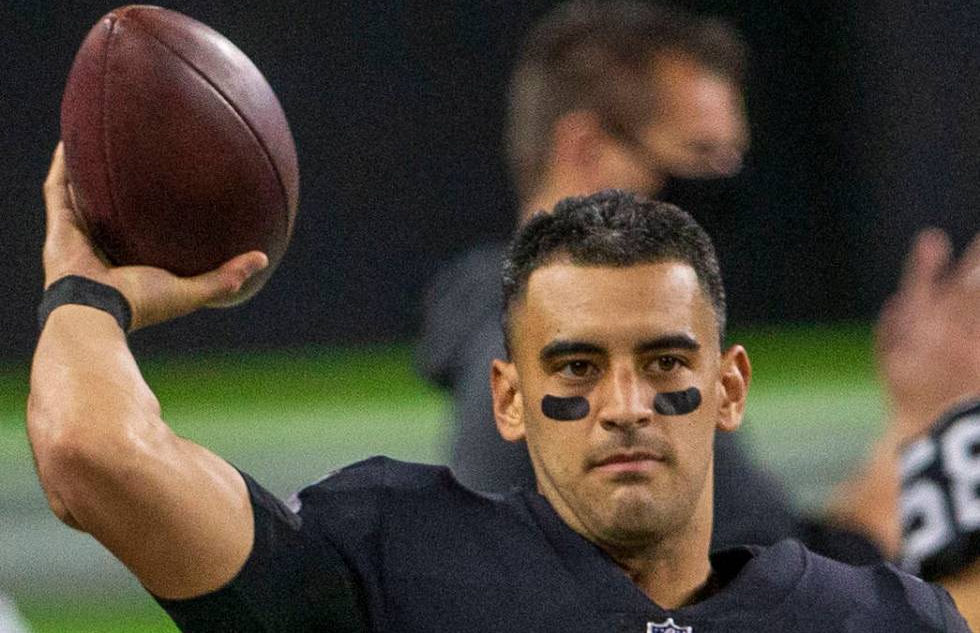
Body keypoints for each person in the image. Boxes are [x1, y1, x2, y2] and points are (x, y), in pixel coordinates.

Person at [29, 145, 974, 629]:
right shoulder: (397, 571)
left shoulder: (872, 618)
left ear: (729, 388)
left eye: (665, 363)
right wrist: (87, 293)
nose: (625, 403)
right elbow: (89, 452)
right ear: (507, 398)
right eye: (575, 367)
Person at [417, 0, 876, 559]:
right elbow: (787, 584)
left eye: (729, 161)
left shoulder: (497, 314)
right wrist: (929, 423)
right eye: (699, 155)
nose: (718, 188)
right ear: (583, 147)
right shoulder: (605, 365)